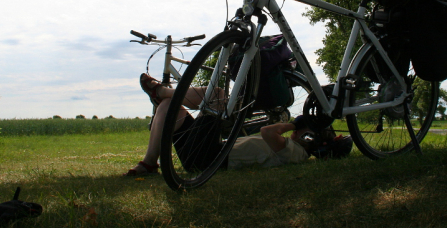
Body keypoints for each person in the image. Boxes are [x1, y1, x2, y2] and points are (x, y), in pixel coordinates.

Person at [123, 73, 321, 176]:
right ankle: (149, 163)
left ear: (310, 139)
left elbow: (267, 131)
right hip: (204, 152)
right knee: (167, 107)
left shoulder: (298, 155)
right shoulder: (293, 149)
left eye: (309, 128)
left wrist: (295, 124)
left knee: (218, 94)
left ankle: (162, 92)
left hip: (211, 158)